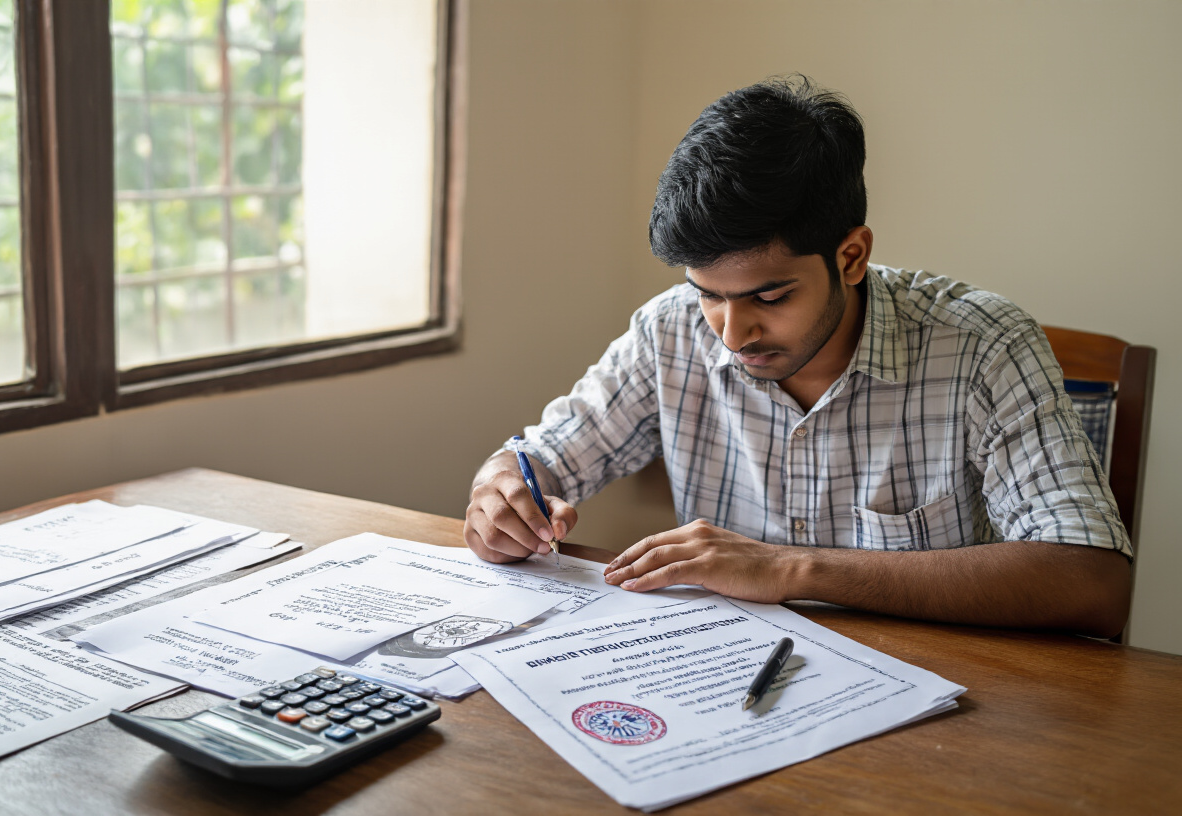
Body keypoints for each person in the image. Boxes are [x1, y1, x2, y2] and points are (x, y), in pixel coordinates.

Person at [464, 76, 1132, 638]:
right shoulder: (670, 331)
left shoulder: (984, 344)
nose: (731, 333)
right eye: (708, 296)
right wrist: (504, 493)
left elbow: (1090, 581)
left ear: (851, 256)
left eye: (769, 295)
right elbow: (541, 458)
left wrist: (789, 568)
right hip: (722, 685)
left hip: (938, 709)